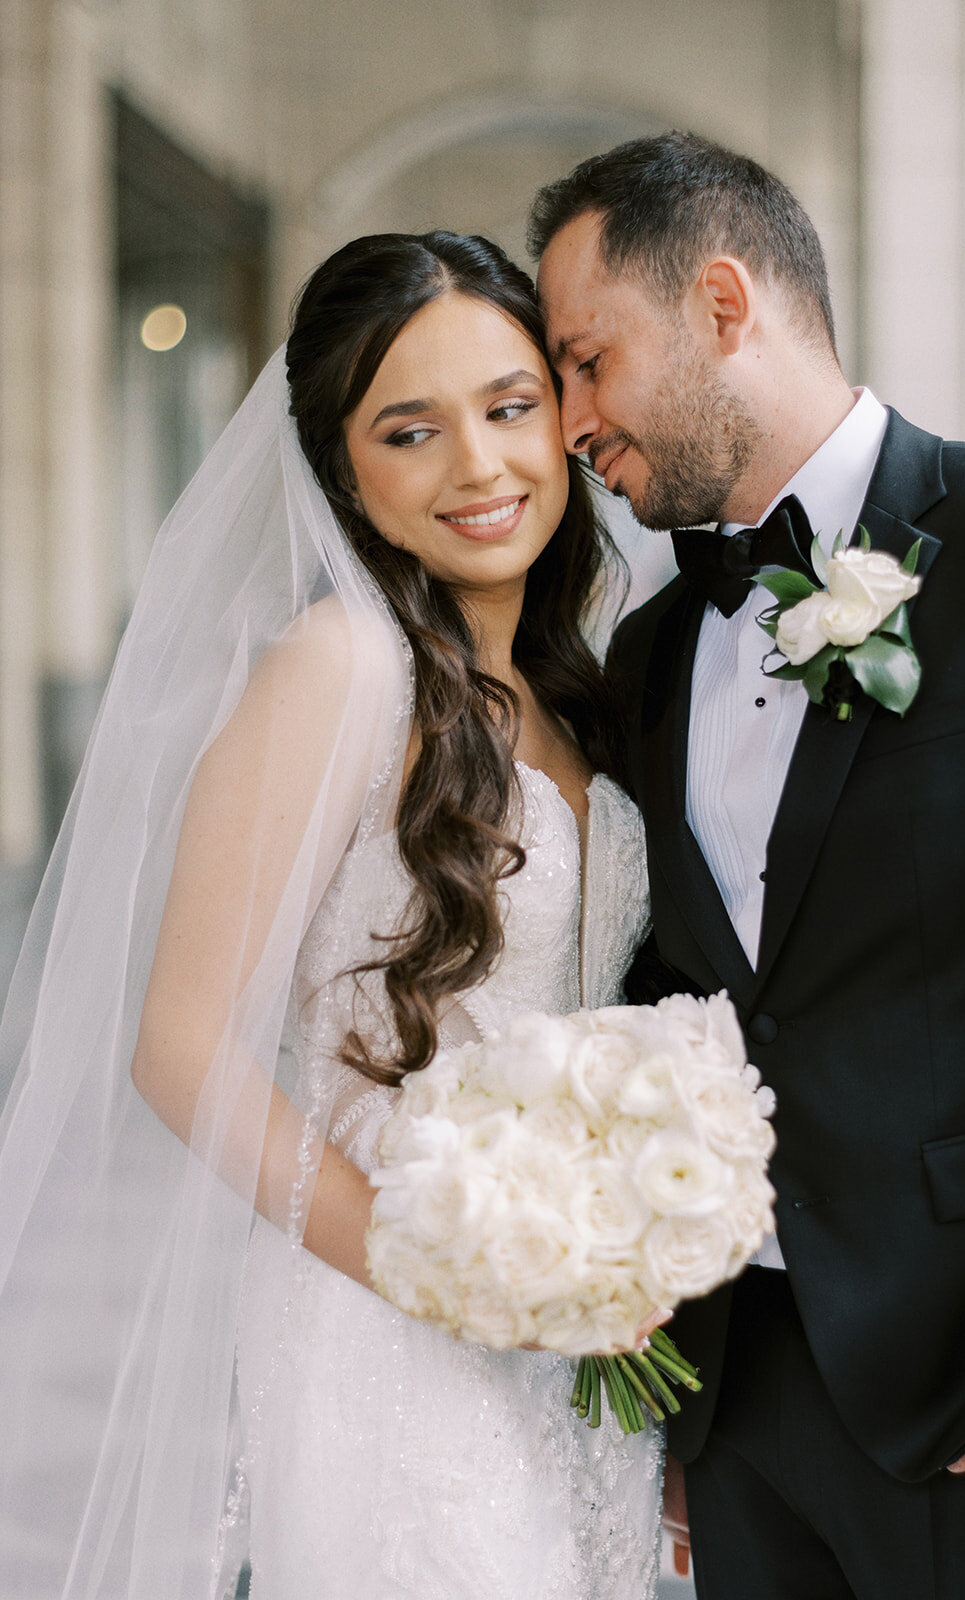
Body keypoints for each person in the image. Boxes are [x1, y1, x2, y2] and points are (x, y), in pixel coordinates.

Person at [530, 131, 965, 1600]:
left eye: (589, 361)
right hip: (743, 1415)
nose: (570, 422)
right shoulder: (649, 653)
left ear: (722, 306)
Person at [0, 232, 662, 1599]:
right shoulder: (340, 666)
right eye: (411, 431)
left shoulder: (575, 689)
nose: (479, 467)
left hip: (570, 1342)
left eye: (508, 406)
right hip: (387, 1334)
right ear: (343, 471)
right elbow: (179, 1049)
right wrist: (446, 1277)